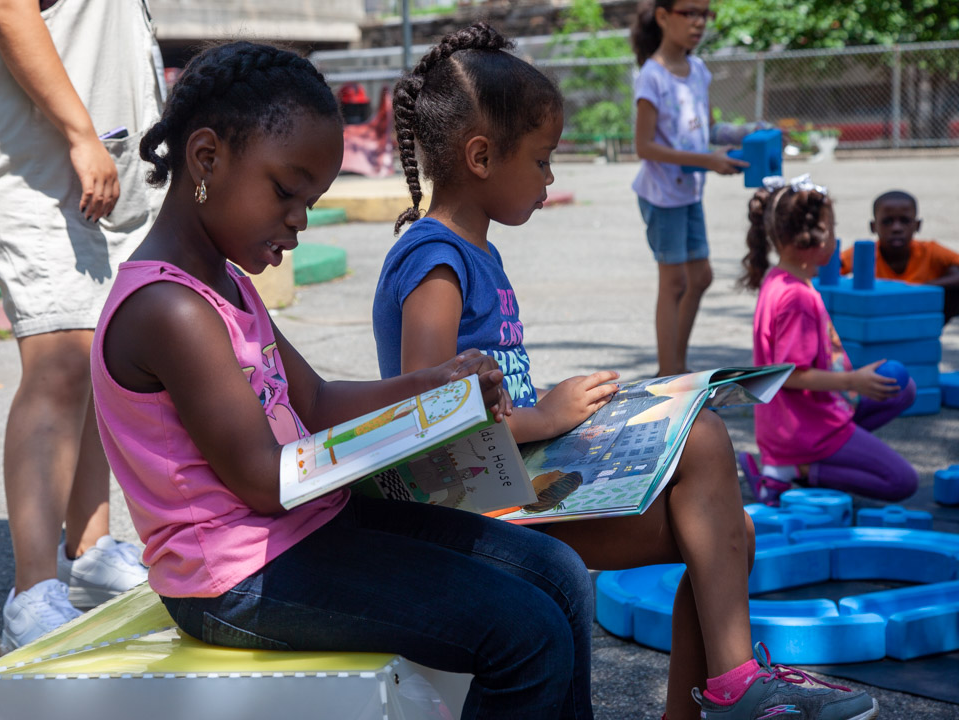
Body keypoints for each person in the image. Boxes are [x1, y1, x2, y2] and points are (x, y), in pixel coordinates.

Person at [374, 21, 878, 720]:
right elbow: (427, 413)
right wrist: (546, 417)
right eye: (544, 159)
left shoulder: (471, 250)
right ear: (482, 156)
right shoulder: (436, 259)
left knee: (728, 526)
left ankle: (717, 694)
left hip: (511, 487)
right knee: (705, 464)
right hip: (466, 510)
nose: (551, 178)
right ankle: (732, 686)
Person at [89, 39, 599, 720]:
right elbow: (263, 481)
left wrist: (439, 389)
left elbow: (320, 400)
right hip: (236, 578)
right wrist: (395, 436)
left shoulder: (228, 284)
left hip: (306, 531)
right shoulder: (169, 308)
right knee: (524, 632)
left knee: (558, 574)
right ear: (207, 158)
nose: (300, 219)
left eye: (313, 198)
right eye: (286, 191)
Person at [0, 0, 164, 650]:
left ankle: (92, 549)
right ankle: (32, 591)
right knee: (62, 360)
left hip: (111, 159)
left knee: (100, 359)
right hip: (40, 162)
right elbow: (3, 5)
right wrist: (79, 132)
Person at [737, 177, 919, 508]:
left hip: (800, 417)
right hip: (802, 427)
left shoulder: (779, 279)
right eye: (832, 229)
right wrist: (854, 381)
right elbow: (789, 375)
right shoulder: (796, 298)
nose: (836, 238)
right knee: (902, 481)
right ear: (814, 238)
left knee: (901, 389)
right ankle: (791, 470)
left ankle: (790, 464)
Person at [630, 0, 765, 377]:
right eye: (689, 12)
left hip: (688, 192)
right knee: (674, 282)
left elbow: (708, 130)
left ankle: (675, 367)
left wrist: (748, 132)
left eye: (704, 14)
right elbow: (644, 147)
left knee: (700, 277)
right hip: (661, 195)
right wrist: (709, 161)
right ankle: (669, 373)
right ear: (662, 16)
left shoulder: (698, 70)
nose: (699, 22)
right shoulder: (652, 76)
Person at [839, 190, 959, 324]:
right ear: (873, 227)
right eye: (887, 222)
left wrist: (924, 287)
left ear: (917, 225)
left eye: (905, 221)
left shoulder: (930, 251)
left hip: (920, 320)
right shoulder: (864, 253)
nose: (896, 228)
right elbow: (827, 273)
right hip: (878, 321)